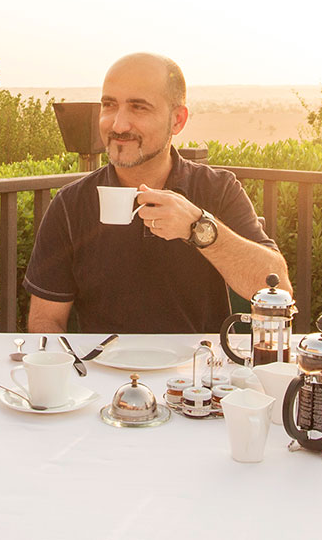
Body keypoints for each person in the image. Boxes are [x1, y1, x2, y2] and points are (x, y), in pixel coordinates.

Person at [23, 52, 288, 334]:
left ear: (177, 120)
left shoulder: (217, 190)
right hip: (102, 373)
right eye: (109, 105)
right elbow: (45, 320)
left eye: (139, 108)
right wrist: (69, 373)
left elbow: (277, 287)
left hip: (198, 372)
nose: (118, 125)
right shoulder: (70, 204)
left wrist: (198, 227)